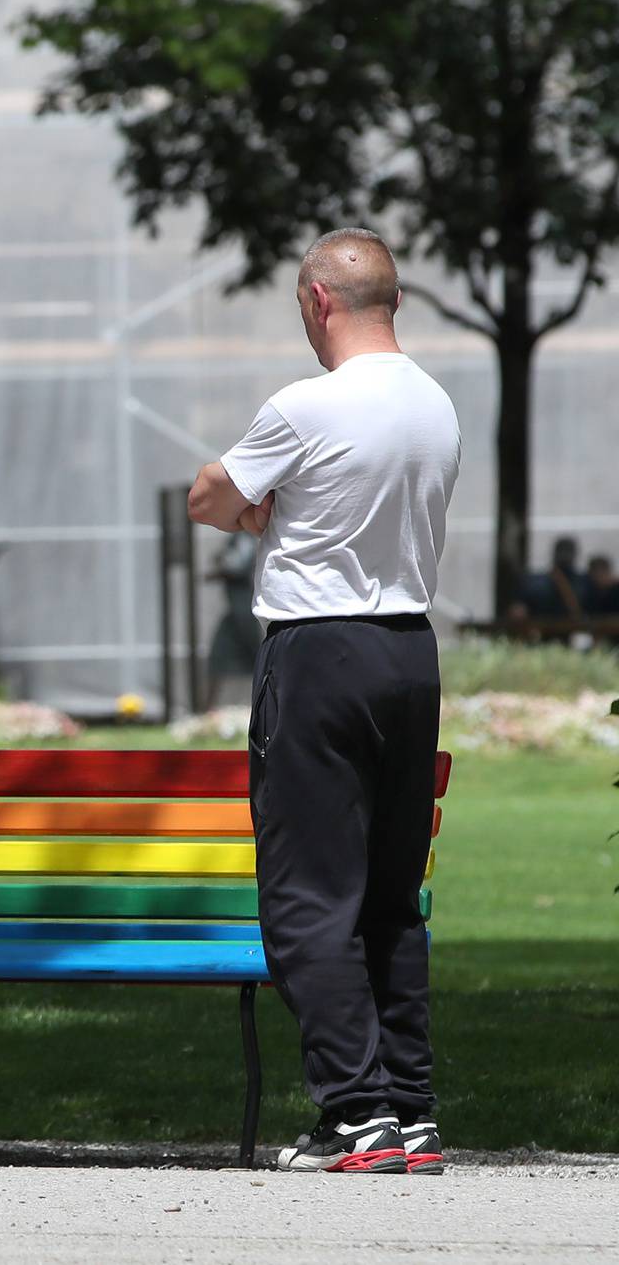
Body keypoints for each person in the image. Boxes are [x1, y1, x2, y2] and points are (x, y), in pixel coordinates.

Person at [188, 228, 460, 1175]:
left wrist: (255, 507)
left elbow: (207, 498)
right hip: (408, 652)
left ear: (317, 302)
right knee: (390, 896)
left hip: (317, 653)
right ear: (396, 300)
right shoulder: (436, 408)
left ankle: (355, 1114)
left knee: (308, 896)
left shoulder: (305, 407)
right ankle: (410, 1107)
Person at [206, 530, 262, 706]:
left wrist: (220, 564)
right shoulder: (239, 536)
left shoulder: (244, 536)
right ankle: (210, 708)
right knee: (219, 657)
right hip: (235, 611)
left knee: (258, 658)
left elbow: (236, 565)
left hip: (244, 611)